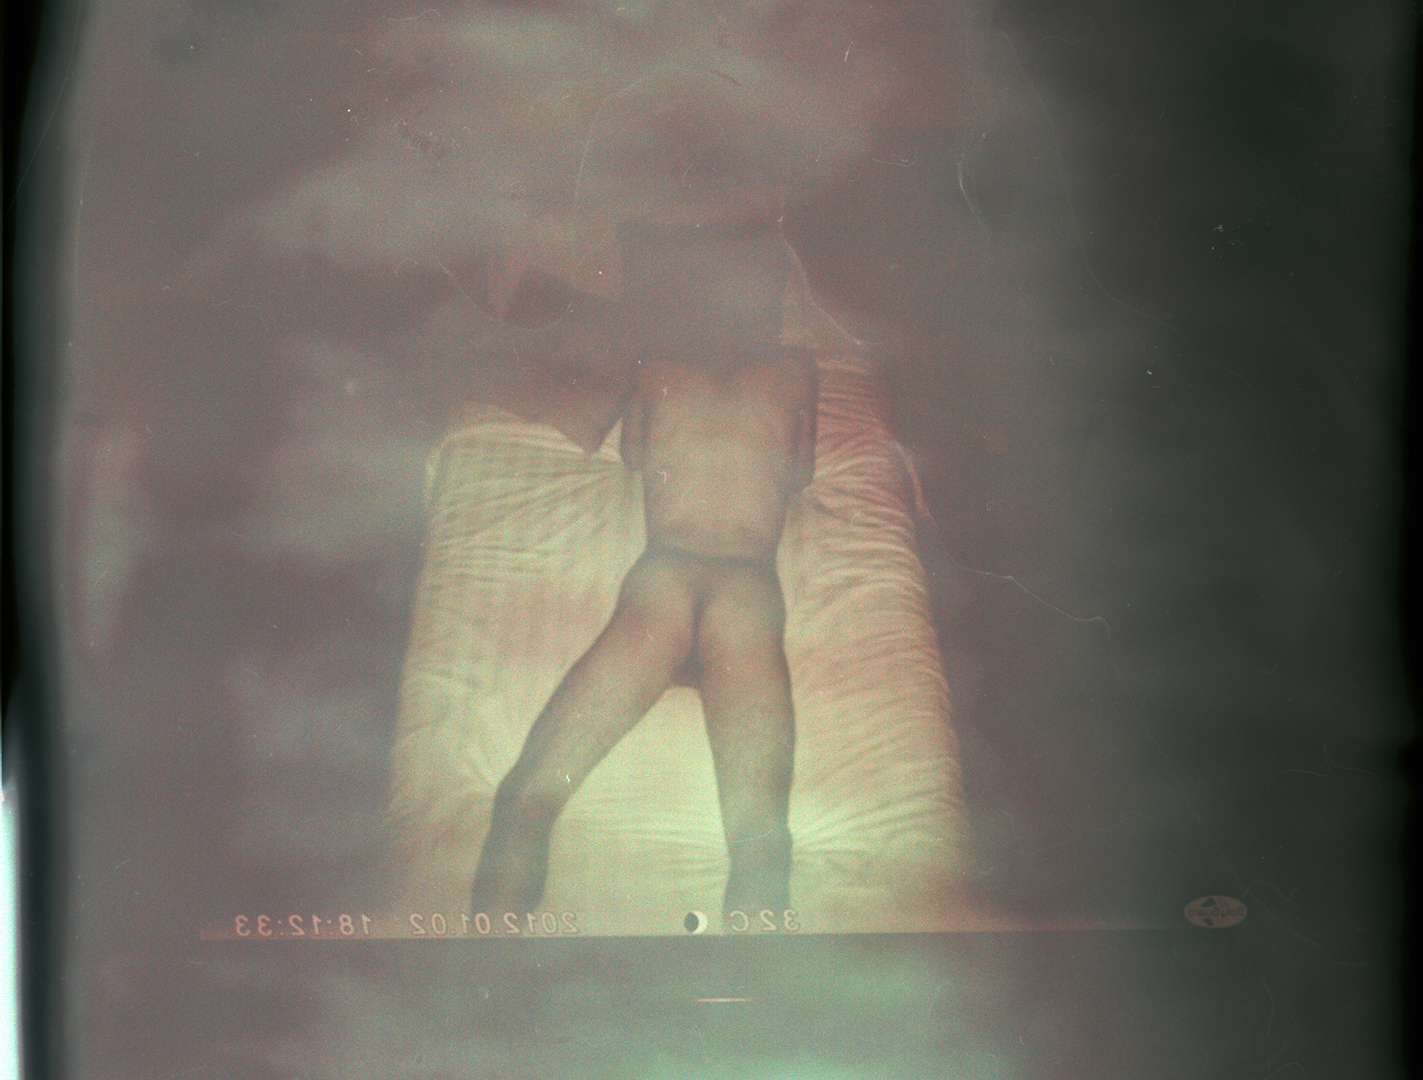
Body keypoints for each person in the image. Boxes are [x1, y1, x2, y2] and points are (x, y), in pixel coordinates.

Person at [469, 222, 817, 917]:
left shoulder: (654, 368)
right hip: (746, 588)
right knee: (760, 844)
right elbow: (801, 473)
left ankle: (486, 967)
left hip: (665, 579)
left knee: (525, 802)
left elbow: (632, 458)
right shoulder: (797, 371)